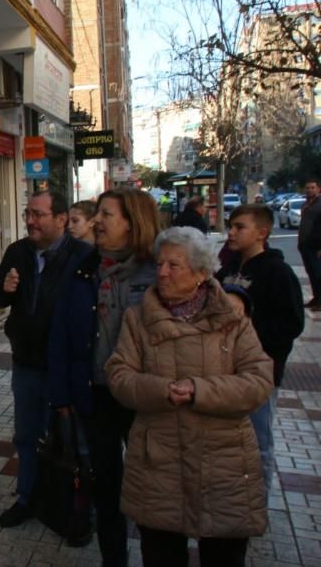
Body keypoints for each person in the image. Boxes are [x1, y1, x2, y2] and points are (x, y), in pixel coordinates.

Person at [106, 227, 273, 566]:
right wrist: (160, 390)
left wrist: (199, 390)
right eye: (159, 263)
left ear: (201, 273)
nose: (162, 272)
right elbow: (119, 376)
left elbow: (258, 380)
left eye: (174, 265)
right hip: (158, 461)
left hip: (224, 462)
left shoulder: (232, 318)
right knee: (161, 554)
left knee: (223, 556)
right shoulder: (137, 319)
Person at [47, 187, 160, 566]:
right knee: (106, 485)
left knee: (149, 488)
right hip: (95, 395)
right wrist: (61, 396)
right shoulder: (82, 269)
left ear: (132, 223)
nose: (96, 222)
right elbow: (60, 333)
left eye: (106, 215)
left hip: (145, 400)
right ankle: (114, 559)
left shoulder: (159, 271)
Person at [0, 191, 91, 528]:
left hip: (68, 369)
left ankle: (78, 508)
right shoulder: (18, 251)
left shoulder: (83, 256)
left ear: (60, 219)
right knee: (27, 435)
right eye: (27, 214)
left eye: (38, 214)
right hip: (28, 364)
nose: (30, 221)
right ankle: (28, 497)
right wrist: (6, 287)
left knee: (73, 440)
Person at [215, 203, 304, 494]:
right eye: (230, 225)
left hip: (259, 374)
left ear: (261, 233)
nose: (231, 232)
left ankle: (257, 504)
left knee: (257, 442)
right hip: (223, 371)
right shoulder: (227, 269)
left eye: (240, 227)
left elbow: (291, 324)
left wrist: (251, 336)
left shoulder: (278, 272)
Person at [299, 178, 321, 309]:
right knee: (311, 272)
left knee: (318, 273)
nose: (309, 190)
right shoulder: (306, 204)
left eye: (312, 187)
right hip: (305, 245)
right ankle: (316, 298)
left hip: (316, 246)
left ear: (319, 189)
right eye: (307, 188)